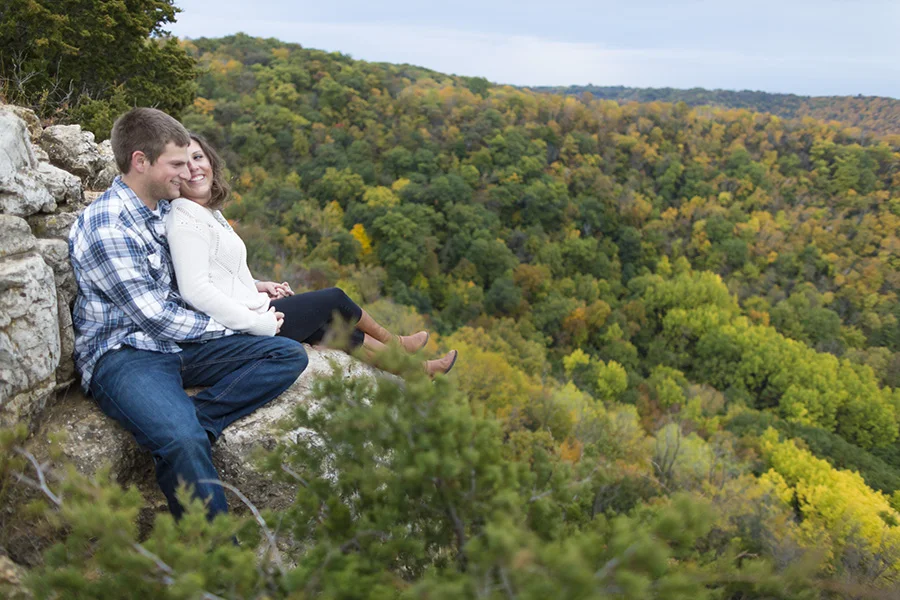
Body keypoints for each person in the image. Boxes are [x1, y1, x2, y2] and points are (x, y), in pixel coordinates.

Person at [68, 108, 308, 521]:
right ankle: (219, 561)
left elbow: (200, 273)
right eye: (176, 164)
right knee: (180, 440)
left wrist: (253, 296)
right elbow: (156, 316)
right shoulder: (109, 225)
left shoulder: (163, 208)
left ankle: (197, 422)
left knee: (287, 354)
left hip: (177, 346)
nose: (187, 172)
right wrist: (247, 323)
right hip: (125, 355)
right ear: (140, 161)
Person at [164, 132, 458, 375]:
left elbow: (218, 272)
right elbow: (195, 288)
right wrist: (253, 316)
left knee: (333, 330)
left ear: (211, 162)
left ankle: (417, 370)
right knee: (334, 299)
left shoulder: (208, 213)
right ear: (174, 174)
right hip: (238, 328)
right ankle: (395, 342)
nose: (194, 168)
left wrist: (259, 286)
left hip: (250, 311)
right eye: (183, 163)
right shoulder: (185, 217)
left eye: (198, 157)